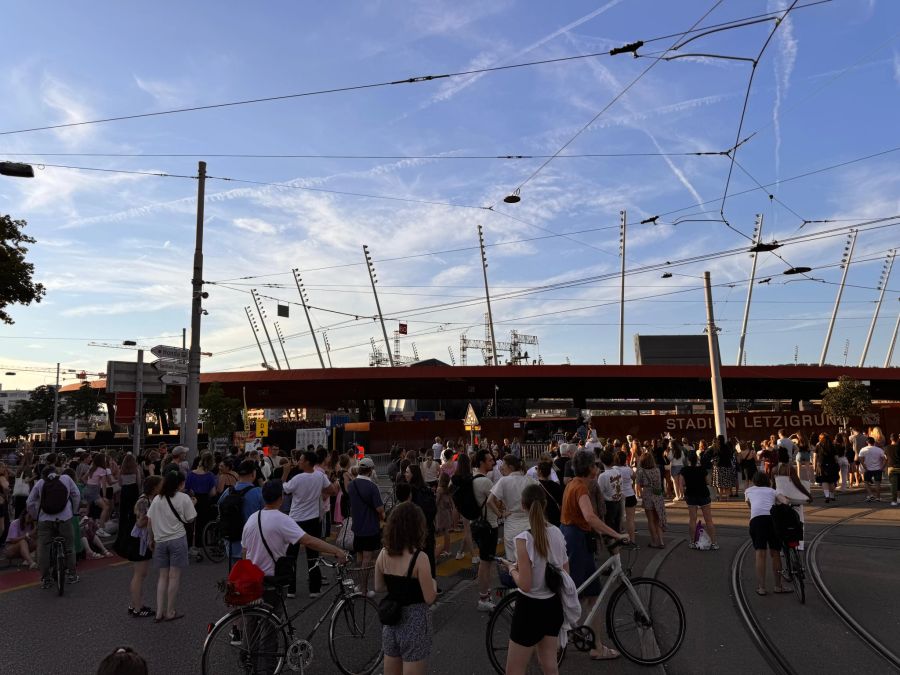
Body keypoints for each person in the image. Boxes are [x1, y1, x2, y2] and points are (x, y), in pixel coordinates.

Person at [561, 450, 629, 660]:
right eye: (595, 465)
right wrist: (615, 533)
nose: (597, 467)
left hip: (572, 537)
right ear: (590, 468)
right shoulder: (581, 488)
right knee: (582, 594)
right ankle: (586, 643)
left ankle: (593, 643)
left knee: (588, 594)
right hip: (578, 542)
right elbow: (590, 517)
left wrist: (603, 533)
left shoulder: (572, 484)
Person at [241, 479, 349, 607]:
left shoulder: (252, 518)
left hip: (252, 580)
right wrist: (336, 550)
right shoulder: (282, 520)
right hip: (271, 580)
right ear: (281, 497)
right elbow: (309, 541)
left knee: (253, 621)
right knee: (273, 619)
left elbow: (244, 551)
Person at [499, 483, 568, 675]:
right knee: (549, 665)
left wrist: (512, 568)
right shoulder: (557, 532)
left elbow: (526, 584)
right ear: (545, 505)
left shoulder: (523, 539)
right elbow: (565, 572)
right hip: (553, 605)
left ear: (523, 505)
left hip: (529, 609)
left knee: (514, 670)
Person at [374, 501, 437, 675]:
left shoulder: (383, 553)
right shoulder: (419, 558)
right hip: (415, 622)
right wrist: (433, 583)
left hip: (391, 621)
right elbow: (430, 597)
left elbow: (378, 587)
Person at [282, 450, 337, 599]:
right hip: (313, 519)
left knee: (291, 555)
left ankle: (290, 589)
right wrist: (319, 491)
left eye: (300, 460)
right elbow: (332, 490)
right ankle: (314, 588)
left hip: (295, 520)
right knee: (313, 555)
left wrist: (285, 473)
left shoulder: (297, 478)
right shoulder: (320, 476)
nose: (298, 462)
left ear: (307, 462)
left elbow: (284, 489)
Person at [147, 470, 197, 621]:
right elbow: (190, 519)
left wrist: (151, 539)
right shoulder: (184, 498)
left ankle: (158, 612)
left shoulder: (157, 499)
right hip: (177, 539)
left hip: (160, 541)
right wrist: (193, 504)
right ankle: (170, 611)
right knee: (174, 576)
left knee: (162, 577)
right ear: (180, 484)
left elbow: (150, 521)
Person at [26, 466, 81, 588]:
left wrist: (36, 516)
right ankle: (72, 574)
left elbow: (29, 502)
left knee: (43, 549)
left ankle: (46, 579)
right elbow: (76, 494)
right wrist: (75, 511)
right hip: (65, 518)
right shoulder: (66, 478)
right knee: (69, 546)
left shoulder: (40, 483)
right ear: (57, 473)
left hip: (45, 519)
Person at [744, 472, 790, 595]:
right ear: (767, 481)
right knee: (775, 552)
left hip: (757, 521)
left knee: (760, 553)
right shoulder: (772, 491)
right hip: (772, 520)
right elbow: (784, 500)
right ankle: (778, 586)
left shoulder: (748, 491)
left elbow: (750, 505)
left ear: (754, 481)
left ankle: (761, 587)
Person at [125, 475, 162, 619]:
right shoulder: (144, 501)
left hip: (141, 539)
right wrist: (150, 516)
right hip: (140, 539)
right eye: (160, 485)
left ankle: (135, 603)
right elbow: (140, 523)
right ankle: (137, 608)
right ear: (154, 487)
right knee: (139, 574)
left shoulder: (147, 499)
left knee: (140, 574)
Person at [347, 457, 385, 596]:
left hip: (357, 525)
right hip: (370, 526)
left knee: (359, 556)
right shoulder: (372, 487)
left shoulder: (352, 485)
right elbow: (380, 508)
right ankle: (363, 589)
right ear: (370, 470)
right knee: (368, 559)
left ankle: (358, 585)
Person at [489, 455, 535, 563]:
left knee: (513, 560)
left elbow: (489, 501)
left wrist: (500, 514)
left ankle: (516, 578)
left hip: (511, 523)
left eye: (503, 465)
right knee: (530, 558)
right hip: (529, 523)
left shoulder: (504, 481)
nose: (501, 467)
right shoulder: (530, 480)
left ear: (511, 467)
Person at [681, 450, 719, 550]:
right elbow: (708, 481)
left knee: (692, 519)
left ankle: (692, 542)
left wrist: (684, 493)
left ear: (688, 460)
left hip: (691, 495)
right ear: (697, 459)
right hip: (703, 494)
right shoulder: (702, 469)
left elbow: (682, 484)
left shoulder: (684, 470)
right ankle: (714, 543)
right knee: (708, 520)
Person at [185, 451, 218, 559]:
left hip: (192, 500)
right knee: (201, 525)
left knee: (190, 524)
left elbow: (187, 488)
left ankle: (189, 546)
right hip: (204, 501)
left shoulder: (190, 474)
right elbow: (213, 492)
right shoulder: (210, 476)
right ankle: (199, 546)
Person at [636, 452, 667, 548]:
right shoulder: (657, 470)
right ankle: (661, 541)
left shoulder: (641, 471)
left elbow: (638, 484)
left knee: (650, 519)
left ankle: (654, 541)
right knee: (657, 518)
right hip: (658, 495)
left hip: (647, 495)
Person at [84, 454, 113, 532]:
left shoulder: (91, 468)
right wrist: (104, 496)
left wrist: (88, 484)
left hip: (87, 490)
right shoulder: (102, 470)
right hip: (94, 491)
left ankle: (86, 525)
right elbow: (103, 484)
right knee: (106, 507)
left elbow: (83, 478)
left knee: (89, 509)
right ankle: (101, 529)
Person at [612, 450, 636, 543]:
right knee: (630, 520)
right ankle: (632, 540)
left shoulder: (613, 469)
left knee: (619, 519)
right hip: (630, 494)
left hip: (618, 495)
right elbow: (634, 477)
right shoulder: (628, 469)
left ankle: (619, 539)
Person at [813, 432, 840, 503]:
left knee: (824, 481)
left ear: (820, 438)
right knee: (831, 481)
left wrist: (814, 466)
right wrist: (837, 464)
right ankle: (832, 496)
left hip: (821, 465)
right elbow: (836, 457)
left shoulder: (818, 445)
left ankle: (827, 496)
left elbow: (815, 456)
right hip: (832, 465)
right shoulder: (832, 445)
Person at [858, 436, 886, 502]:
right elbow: (885, 459)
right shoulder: (879, 450)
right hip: (878, 469)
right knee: (878, 483)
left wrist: (864, 467)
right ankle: (878, 497)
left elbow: (860, 459)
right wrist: (882, 467)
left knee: (866, 482)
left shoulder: (863, 449)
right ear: (874, 442)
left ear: (866, 442)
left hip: (868, 469)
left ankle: (871, 495)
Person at [536, 461, 563, 527]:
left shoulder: (536, 486)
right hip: (556, 516)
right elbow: (561, 503)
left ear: (539, 471)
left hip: (543, 517)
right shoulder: (556, 485)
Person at [434, 473, 454, 558]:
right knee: (446, 531)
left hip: (441, 512)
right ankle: (447, 549)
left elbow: (436, 501)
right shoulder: (448, 489)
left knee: (444, 531)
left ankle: (446, 550)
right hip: (447, 511)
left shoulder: (439, 489)